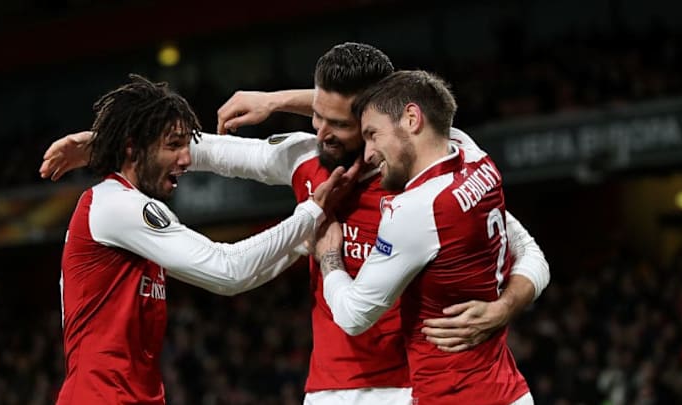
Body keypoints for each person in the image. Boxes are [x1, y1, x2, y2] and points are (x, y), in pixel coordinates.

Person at [41, 43, 549, 405]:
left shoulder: (423, 185)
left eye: (340, 124)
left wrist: (507, 304)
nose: (322, 133)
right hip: (329, 388)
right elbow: (200, 149)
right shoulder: (303, 158)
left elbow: (524, 246)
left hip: (411, 387)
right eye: (317, 117)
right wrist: (98, 140)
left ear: (381, 117)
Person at [55, 74, 354, 404]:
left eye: (186, 146)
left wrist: (299, 242)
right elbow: (228, 271)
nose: (186, 159)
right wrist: (311, 213)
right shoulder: (115, 205)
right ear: (132, 147)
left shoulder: (129, 211)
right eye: (173, 146)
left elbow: (240, 278)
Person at [314, 69, 533, 404]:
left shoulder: (417, 210)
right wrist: (504, 307)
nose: (369, 153)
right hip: (510, 392)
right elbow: (531, 253)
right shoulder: (477, 161)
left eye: (373, 135)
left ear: (412, 119)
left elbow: (354, 315)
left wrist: (329, 257)